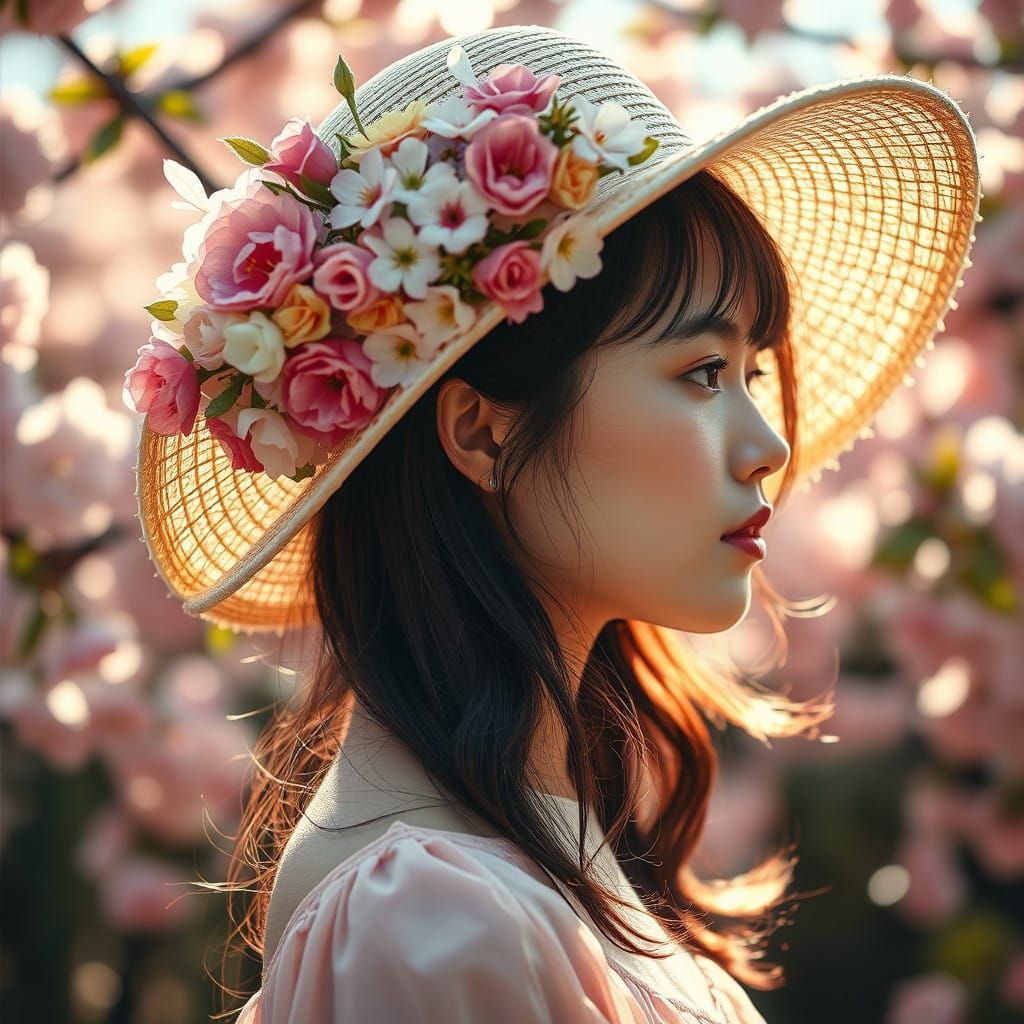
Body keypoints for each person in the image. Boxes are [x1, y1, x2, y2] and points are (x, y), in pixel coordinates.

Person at [126, 21, 980, 1024]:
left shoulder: (525, 848)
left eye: (748, 373)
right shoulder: (423, 922)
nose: (767, 444)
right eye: (701, 372)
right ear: (482, 433)